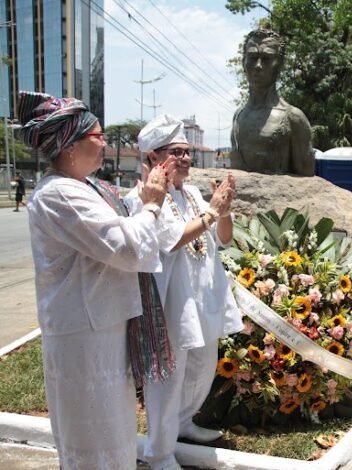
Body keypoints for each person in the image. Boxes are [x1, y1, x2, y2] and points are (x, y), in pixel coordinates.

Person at [19, 91, 169, 469]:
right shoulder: (61, 194)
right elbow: (125, 246)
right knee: (93, 441)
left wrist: (146, 199)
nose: (104, 144)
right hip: (84, 337)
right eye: (97, 137)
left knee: (114, 436)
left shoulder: (83, 187)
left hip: (100, 326)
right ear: (70, 146)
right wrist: (152, 205)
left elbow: (121, 224)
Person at [128, 114, 244, 470]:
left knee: (202, 367)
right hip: (170, 303)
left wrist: (222, 210)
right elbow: (172, 240)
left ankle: (182, 423)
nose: (187, 159)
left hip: (203, 297)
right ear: (152, 158)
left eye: (188, 151)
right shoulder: (143, 197)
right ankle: (159, 453)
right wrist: (212, 212)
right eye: (176, 152)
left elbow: (223, 238)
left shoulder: (191, 192)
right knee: (168, 376)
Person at [230, 29, 314, 176]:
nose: (258, 65)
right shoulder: (238, 116)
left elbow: (308, 180)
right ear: (243, 62)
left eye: (266, 59)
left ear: (279, 65)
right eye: (252, 57)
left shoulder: (293, 118)